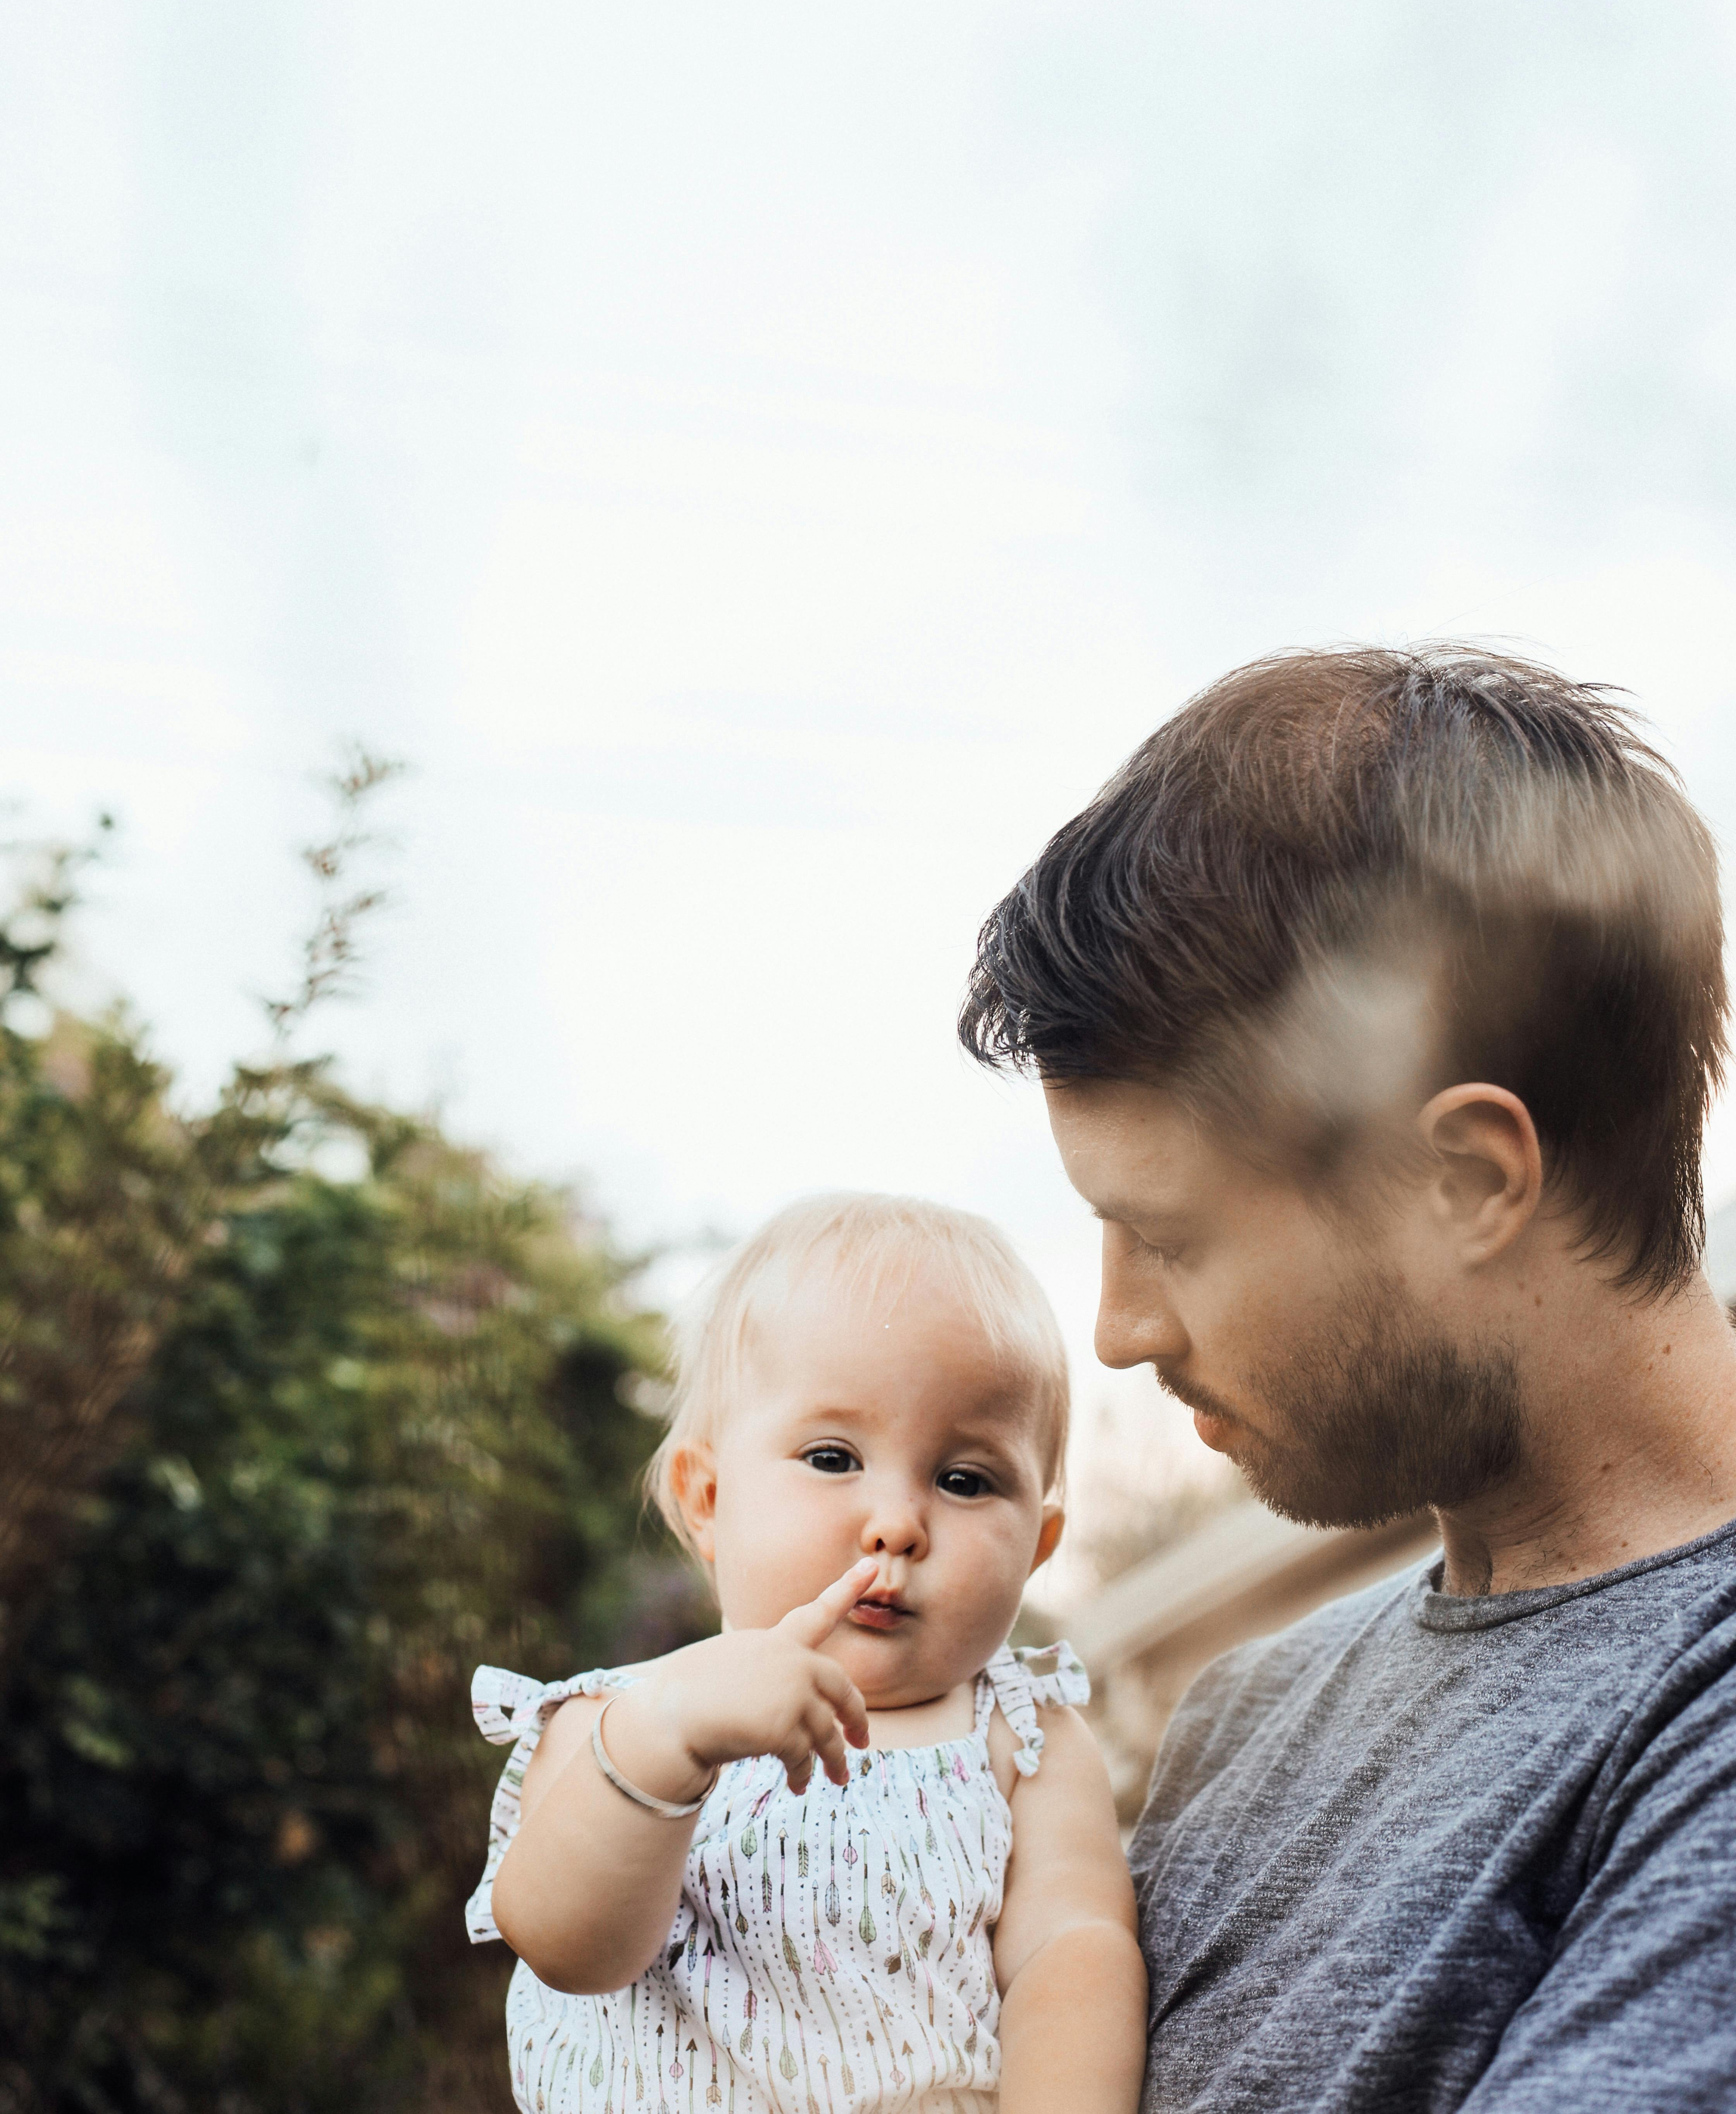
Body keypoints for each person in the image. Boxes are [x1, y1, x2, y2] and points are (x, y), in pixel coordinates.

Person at [959, 645, 1736, 2113]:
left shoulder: (1698, 1699)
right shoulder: (1252, 1710)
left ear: (1465, 1180)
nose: (1118, 1330)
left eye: (1169, 1236)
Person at [465, 1192, 1147, 2114]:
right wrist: (667, 1743)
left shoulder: (1022, 1744)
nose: (896, 1524)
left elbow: (1073, 1954)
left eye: (962, 1479)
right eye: (832, 1457)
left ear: (1036, 1544)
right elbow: (565, 1946)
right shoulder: (613, 1721)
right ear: (707, 1498)